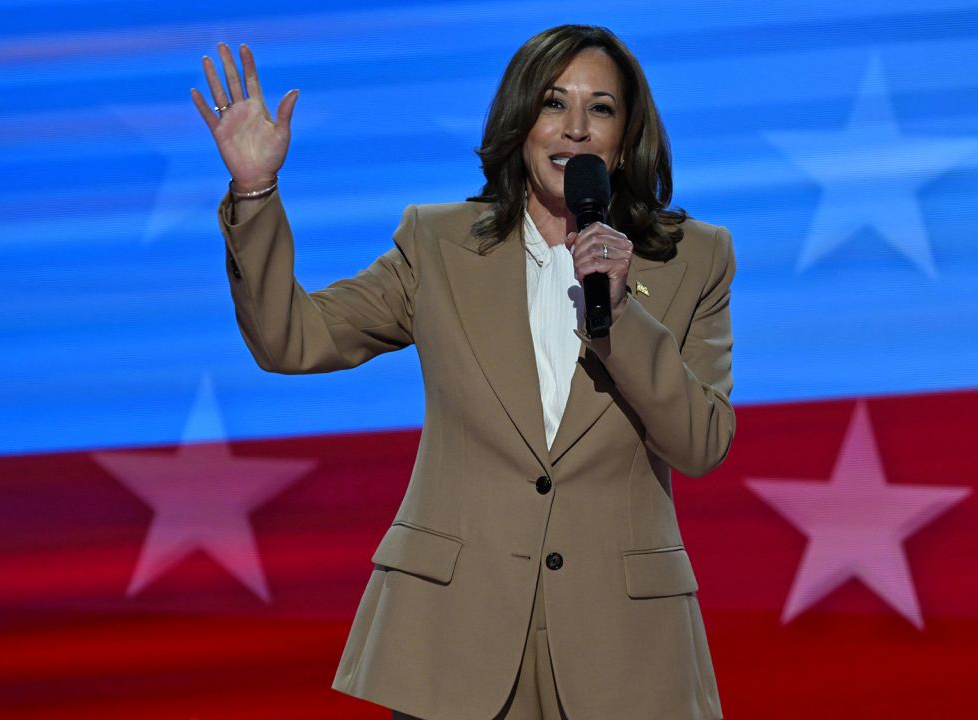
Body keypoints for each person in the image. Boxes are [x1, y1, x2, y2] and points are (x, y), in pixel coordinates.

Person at [193, 24, 736, 720]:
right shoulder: (437, 244)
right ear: (519, 124)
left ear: (625, 138)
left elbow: (701, 443)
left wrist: (622, 313)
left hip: (623, 653)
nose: (574, 128)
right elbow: (290, 339)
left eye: (599, 108)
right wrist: (256, 193)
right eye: (552, 103)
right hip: (457, 639)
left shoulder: (695, 257)